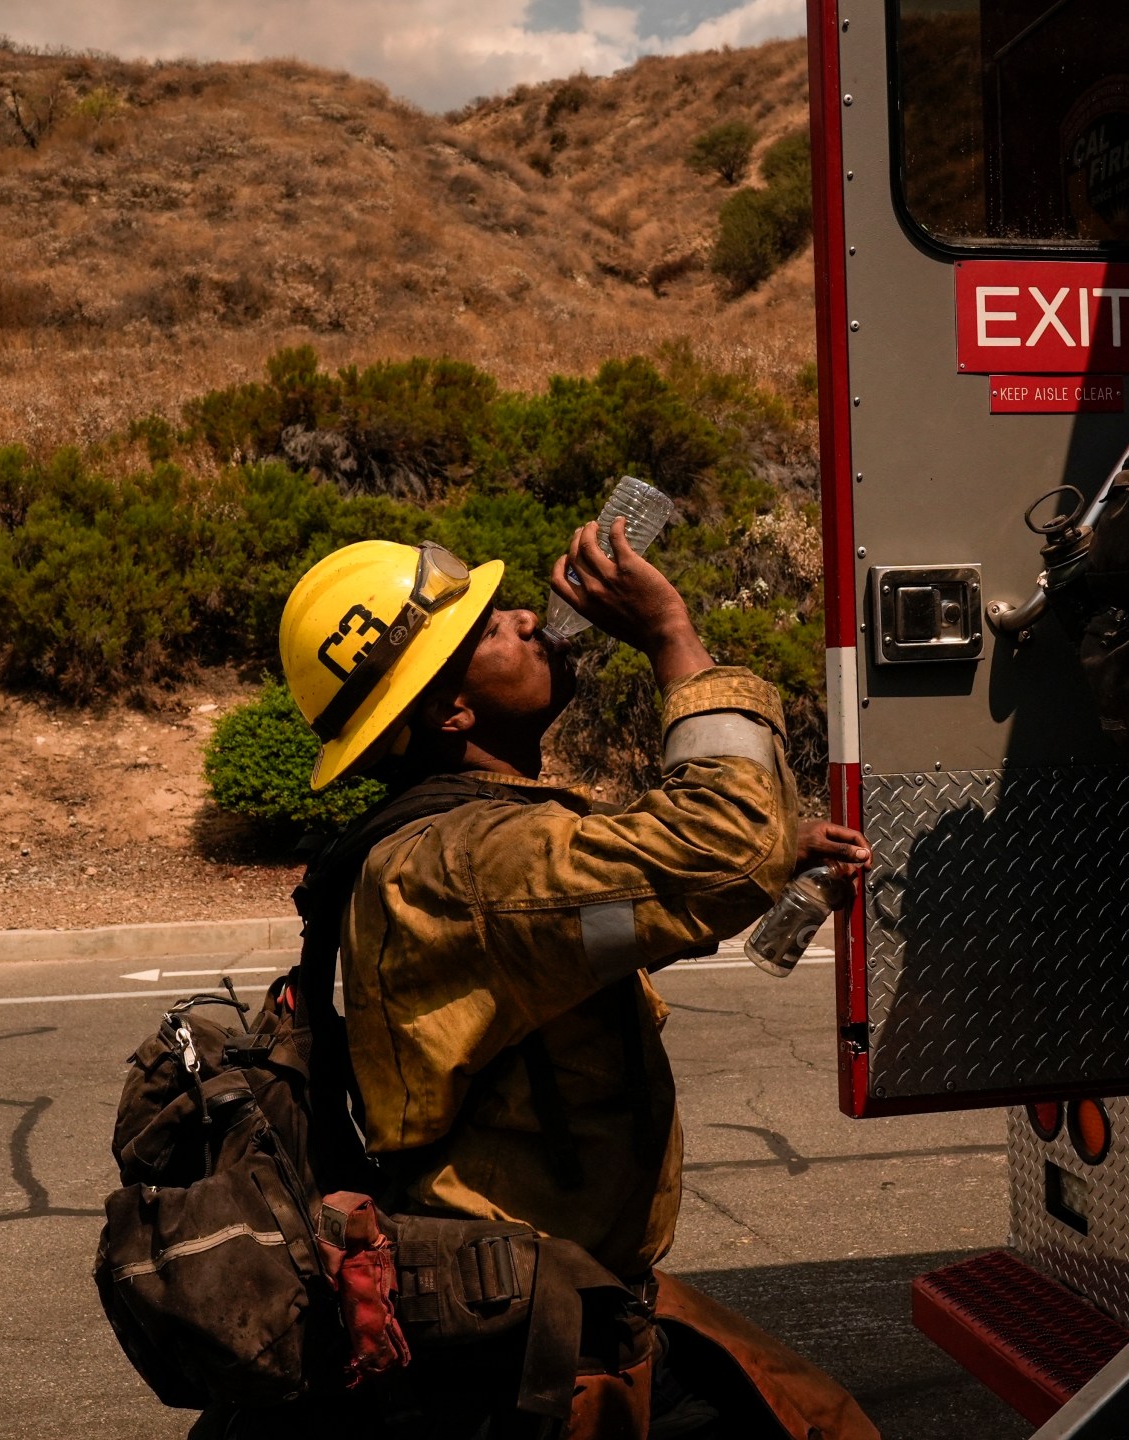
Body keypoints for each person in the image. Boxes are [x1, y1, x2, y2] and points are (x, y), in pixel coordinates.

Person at [257, 520, 874, 1438]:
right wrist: (672, 636)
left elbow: (588, 926)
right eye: (488, 631)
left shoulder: (456, 842)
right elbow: (720, 848)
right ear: (450, 712)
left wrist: (766, 863)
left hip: (565, 1291)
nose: (521, 615)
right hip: (528, 1337)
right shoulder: (469, 859)